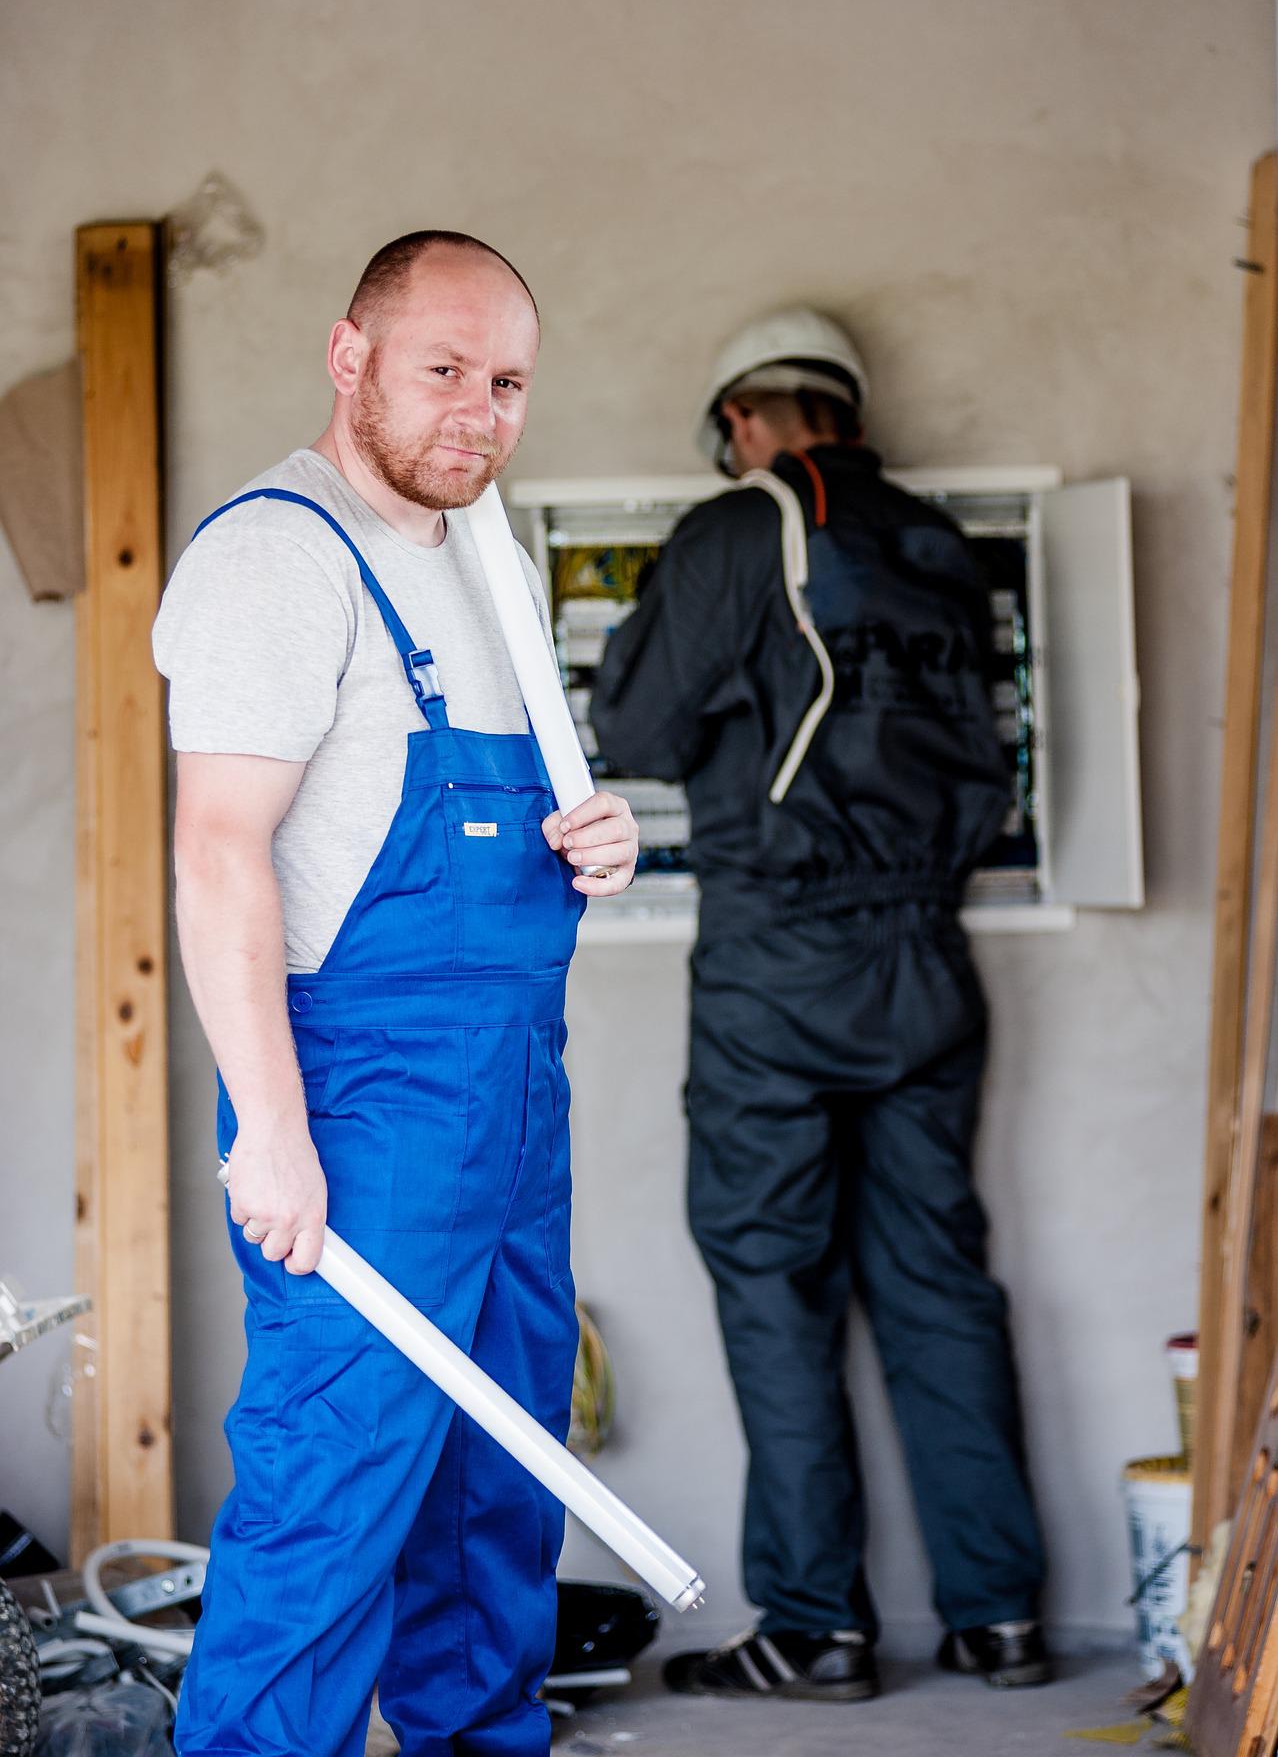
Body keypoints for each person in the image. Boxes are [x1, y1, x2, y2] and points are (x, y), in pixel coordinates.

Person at [153, 231, 639, 1757]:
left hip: (506, 1103)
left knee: (497, 1495)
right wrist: (272, 1136)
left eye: (506, 383)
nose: (476, 415)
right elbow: (219, 853)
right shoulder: (277, 558)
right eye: (442, 372)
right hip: (357, 1109)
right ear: (348, 356)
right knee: (333, 1497)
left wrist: (596, 830)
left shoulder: (484, 560)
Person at [590, 308, 1050, 1704]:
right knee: (936, 1281)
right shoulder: (930, 543)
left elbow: (634, 731)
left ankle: (814, 1627)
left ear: (741, 421)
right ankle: (1002, 1619)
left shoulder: (738, 532)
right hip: (928, 958)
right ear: (843, 407)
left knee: (775, 1286)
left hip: (778, 965)